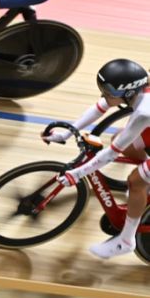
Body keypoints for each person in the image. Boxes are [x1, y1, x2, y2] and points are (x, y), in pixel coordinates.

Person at [43, 59, 150, 259]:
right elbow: (100, 107)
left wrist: (77, 174)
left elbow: (111, 154)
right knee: (120, 138)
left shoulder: (144, 112)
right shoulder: (138, 89)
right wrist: (65, 134)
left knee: (136, 181)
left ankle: (126, 241)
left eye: (108, 92)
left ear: (127, 93)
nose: (103, 95)